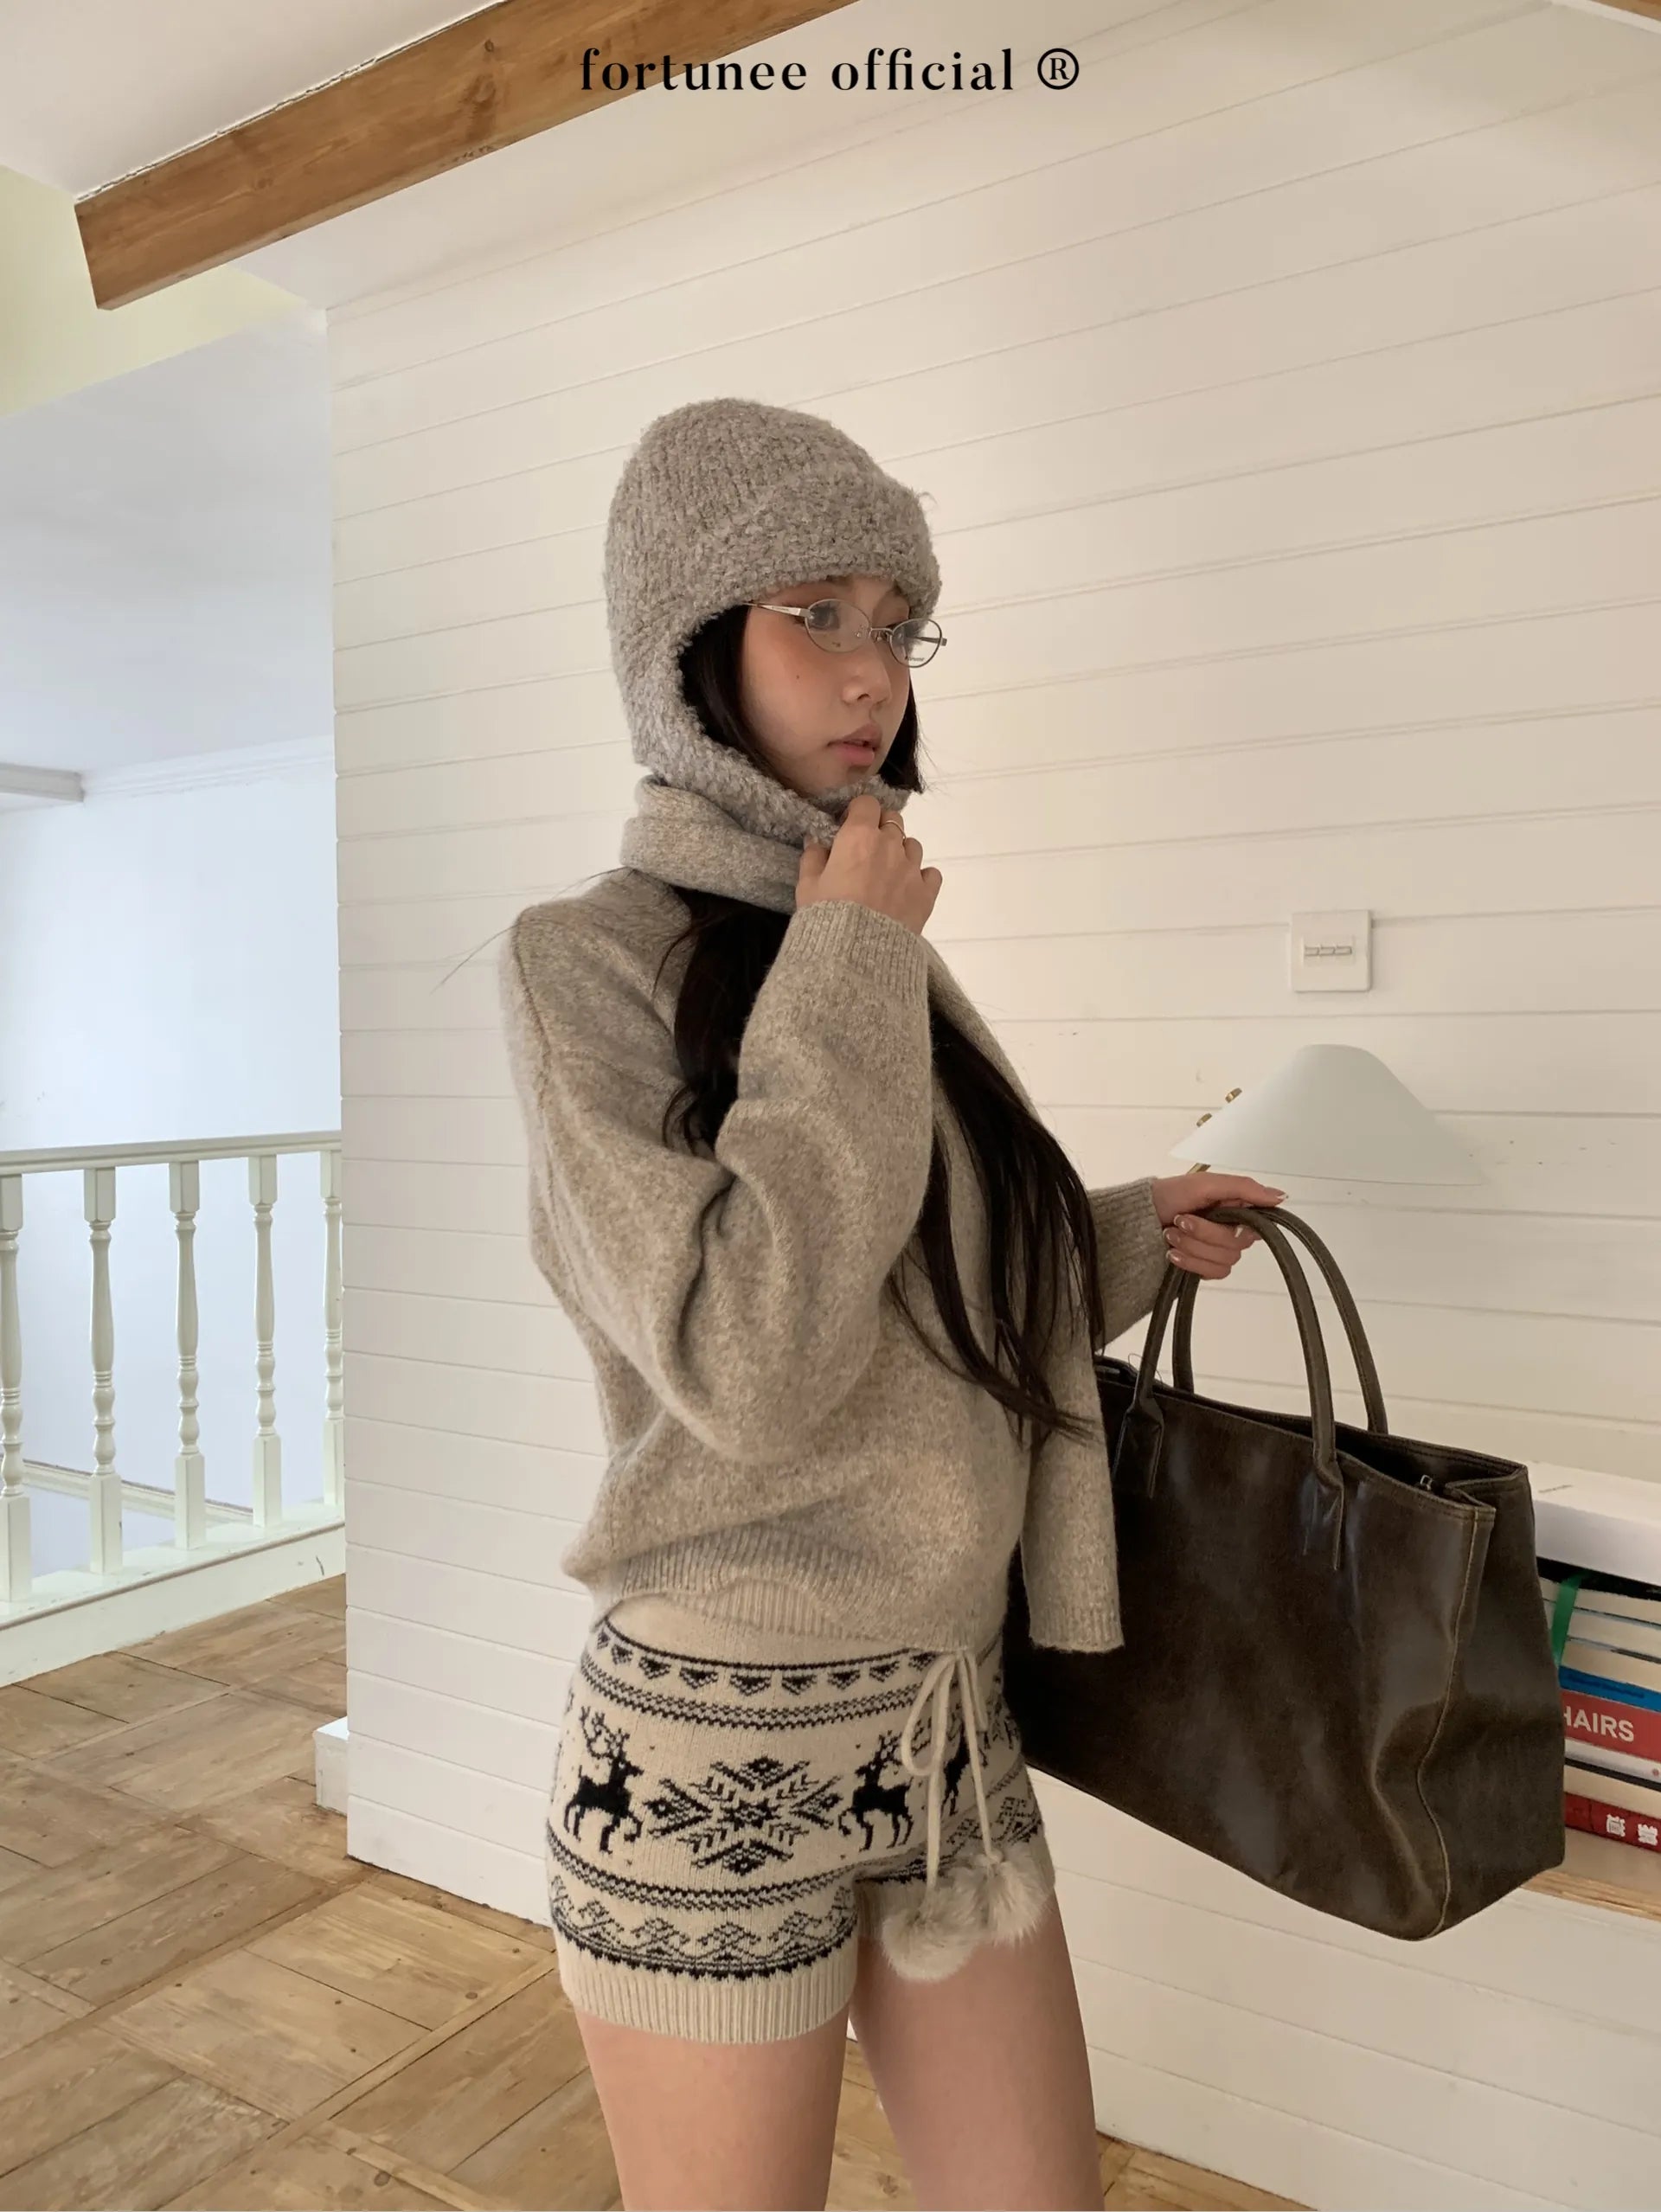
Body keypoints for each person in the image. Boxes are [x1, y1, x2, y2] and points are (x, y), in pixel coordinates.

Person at [497, 398, 1283, 2210]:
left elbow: (913, 1288)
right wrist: (856, 955)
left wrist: (1126, 1232)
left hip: (941, 1719)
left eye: (899, 622)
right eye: (816, 614)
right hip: (712, 1747)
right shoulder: (586, 961)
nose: (873, 673)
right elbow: (751, 1358)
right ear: (683, 645)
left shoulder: (852, 944)